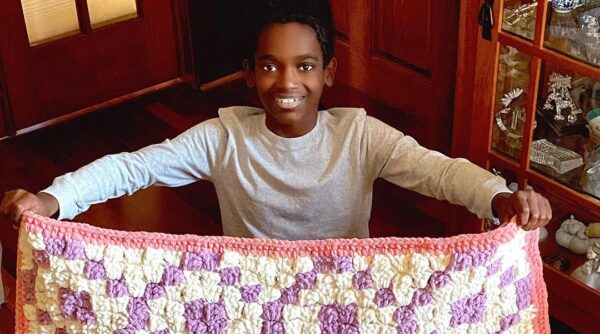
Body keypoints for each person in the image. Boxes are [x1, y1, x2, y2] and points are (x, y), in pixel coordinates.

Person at [0, 0, 552, 236]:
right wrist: (54, 198)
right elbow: (134, 168)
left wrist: (499, 197)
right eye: (270, 65)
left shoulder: (359, 136)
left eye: (305, 66)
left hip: (343, 299)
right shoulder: (223, 138)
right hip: (252, 305)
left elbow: (439, 171)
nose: (287, 83)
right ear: (249, 73)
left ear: (328, 73)